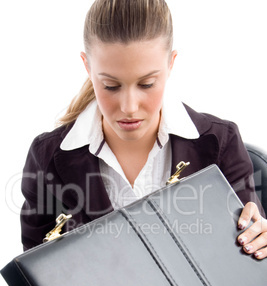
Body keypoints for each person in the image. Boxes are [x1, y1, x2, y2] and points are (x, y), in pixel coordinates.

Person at [21, 0, 267, 259]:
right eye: (111, 86)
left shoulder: (221, 142)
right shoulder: (46, 157)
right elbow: (38, 275)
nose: (129, 107)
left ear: (171, 64)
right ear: (87, 67)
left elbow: (250, 260)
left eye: (147, 84)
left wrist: (261, 240)